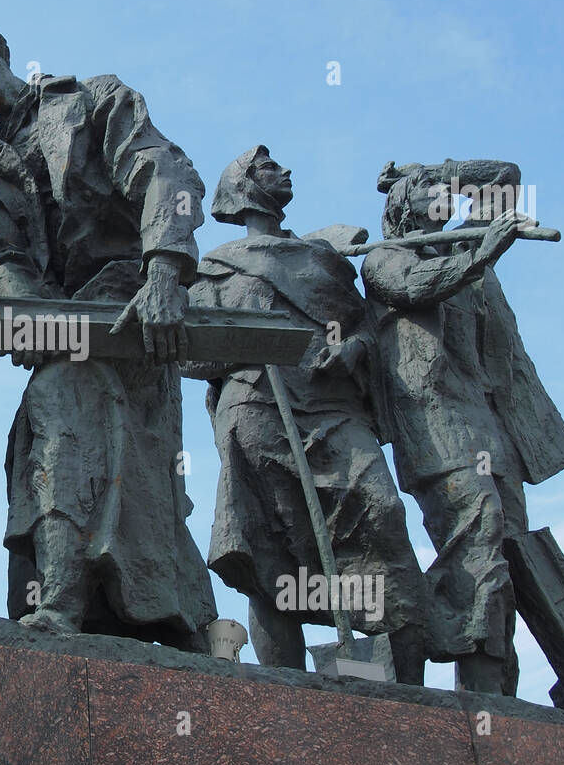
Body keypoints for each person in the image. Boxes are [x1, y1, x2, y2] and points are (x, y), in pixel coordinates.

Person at [0, 31, 217, 651]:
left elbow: (166, 174)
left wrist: (165, 269)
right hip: (61, 327)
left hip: (130, 312)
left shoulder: (92, 100)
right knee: (47, 436)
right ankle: (101, 609)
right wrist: (23, 308)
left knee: (91, 437)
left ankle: (72, 605)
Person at [183, 146, 427, 683]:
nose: (287, 171)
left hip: (332, 405)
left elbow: (363, 323)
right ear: (245, 186)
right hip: (257, 408)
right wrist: (251, 342)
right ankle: (282, 688)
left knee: (381, 511)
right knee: (272, 546)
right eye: (270, 166)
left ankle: (412, 695)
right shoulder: (216, 266)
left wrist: (355, 348)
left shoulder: (322, 257)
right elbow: (192, 355)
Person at [360, 159, 564, 693]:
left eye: (448, 191)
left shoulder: (465, 250)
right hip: (436, 427)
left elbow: (504, 173)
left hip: (491, 427)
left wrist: (437, 169)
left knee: (507, 549)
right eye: (431, 191)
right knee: (475, 539)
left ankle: (494, 687)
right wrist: (486, 251)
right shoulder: (386, 259)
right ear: (402, 205)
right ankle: (415, 647)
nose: (446, 194)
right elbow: (416, 288)